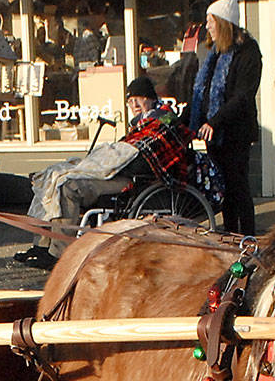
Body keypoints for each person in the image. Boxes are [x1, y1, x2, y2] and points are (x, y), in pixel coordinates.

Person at [15, 76, 207, 270]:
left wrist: (113, 160)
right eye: (130, 101)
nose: (134, 104)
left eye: (138, 98)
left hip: (132, 179)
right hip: (118, 171)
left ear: (150, 98)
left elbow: (142, 155)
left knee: (68, 186)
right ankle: (41, 246)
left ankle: (59, 254)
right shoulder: (139, 124)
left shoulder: (163, 119)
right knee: (50, 178)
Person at [181, 0, 262, 235]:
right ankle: (230, 234)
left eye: (210, 20)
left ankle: (247, 236)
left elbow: (242, 96)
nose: (207, 26)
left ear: (224, 22)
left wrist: (214, 122)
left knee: (238, 187)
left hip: (235, 132)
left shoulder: (248, 52)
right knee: (223, 188)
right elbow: (202, 93)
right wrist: (185, 119)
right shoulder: (215, 52)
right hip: (215, 134)